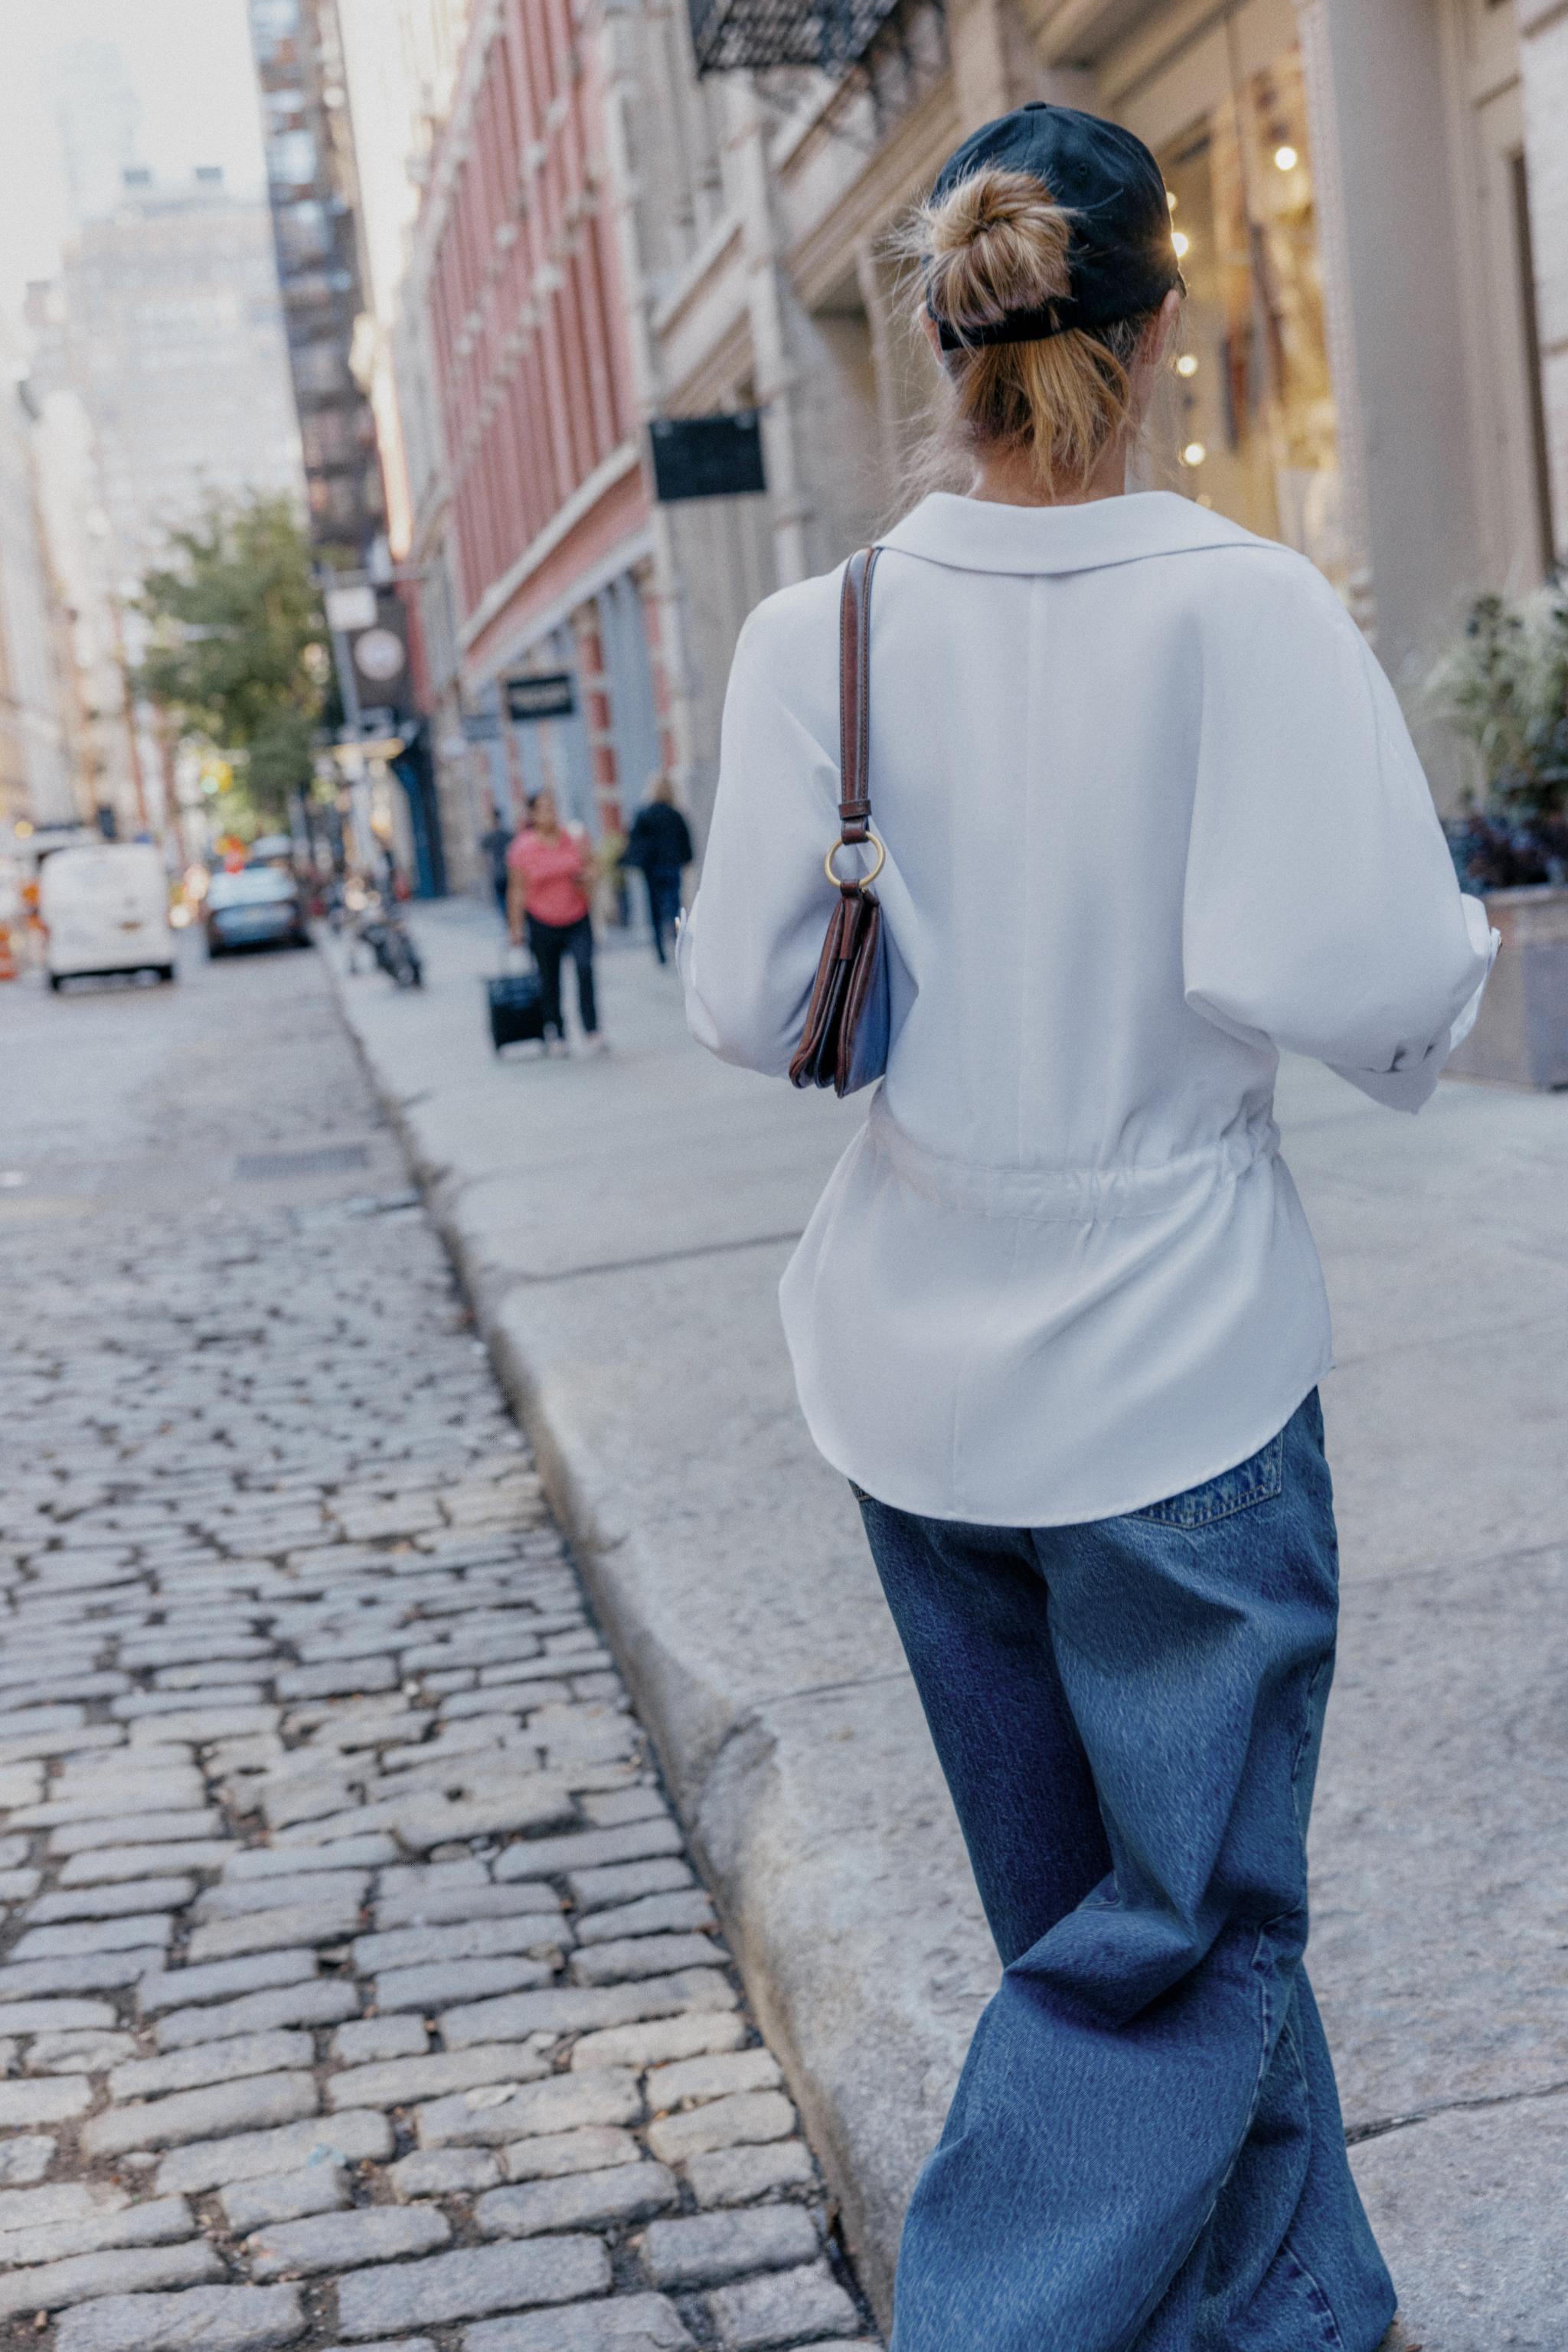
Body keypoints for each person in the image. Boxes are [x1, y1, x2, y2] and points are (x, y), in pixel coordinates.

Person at [678, 103, 1494, 2352]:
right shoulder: (1239, 603)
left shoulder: (820, 633)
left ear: (946, 342)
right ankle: (997, 2315)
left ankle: (1301, 2307)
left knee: (1109, 1922)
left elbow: (743, 1003)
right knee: (1178, 1938)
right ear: (1151, 334)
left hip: (915, 1381)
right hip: (1174, 1377)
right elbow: (1372, 974)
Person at [506, 786, 605, 1053]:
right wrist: (515, 928)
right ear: (532, 814)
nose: (550, 812)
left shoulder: (573, 837)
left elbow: (593, 865)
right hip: (542, 920)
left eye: (552, 806)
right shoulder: (522, 848)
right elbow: (516, 889)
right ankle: (557, 1032)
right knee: (549, 979)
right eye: (543, 808)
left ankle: (592, 1029)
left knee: (585, 968)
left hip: (577, 915)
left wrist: (589, 876)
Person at [622, 776, 694, 964]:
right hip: (671, 866)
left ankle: (660, 950)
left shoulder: (644, 814)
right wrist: (686, 859)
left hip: (652, 869)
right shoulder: (675, 814)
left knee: (654, 909)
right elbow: (684, 840)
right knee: (674, 907)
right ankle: (678, 943)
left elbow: (635, 840)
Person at [479, 803, 514, 919]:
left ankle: (508, 920)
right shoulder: (507, 835)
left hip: (498, 873)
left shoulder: (490, 837)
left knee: (502, 900)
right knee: (510, 898)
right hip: (509, 871)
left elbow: (482, 850)